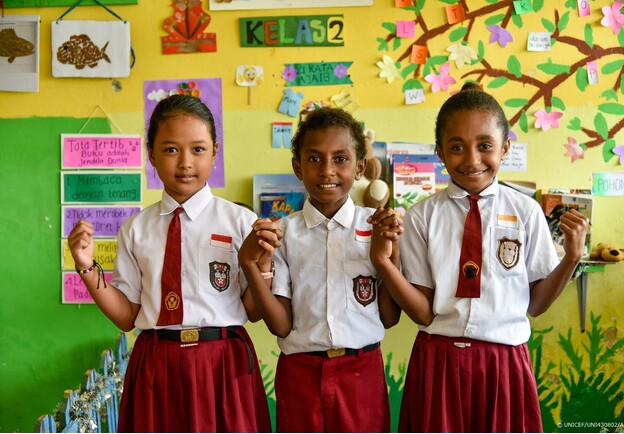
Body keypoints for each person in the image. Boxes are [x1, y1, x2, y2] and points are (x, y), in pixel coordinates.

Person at [369, 82, 590, 433]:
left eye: (485, 146)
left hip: (504, 362)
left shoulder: (526, 212)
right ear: (440, 152)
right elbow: (423, 311)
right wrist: (383, 262)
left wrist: (572, 258)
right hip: (438, 361)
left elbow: (536, 304)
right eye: (457, 147)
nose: (472, 160)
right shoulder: (422, 216)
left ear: (505, 148)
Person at [67, 94, 272, 433]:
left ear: (215, 152)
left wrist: (264, 264)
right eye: (171, 149)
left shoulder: (241, 222)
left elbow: (253, 310)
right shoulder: (135, 229)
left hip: (222, 363)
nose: (186, 163)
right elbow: (126, 316)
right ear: (151, 154)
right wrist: (86, 265)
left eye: (198, 149)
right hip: (156, 363)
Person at [238, 107, 402, 432]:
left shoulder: (377, 227)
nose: (327, 170)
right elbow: (281, 325)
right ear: (297, 167)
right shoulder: (283, 233)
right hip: (300, 374)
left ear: (360, 168)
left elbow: (389, 317)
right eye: (314, 159)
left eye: (340, 159)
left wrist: (389, 255)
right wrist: (251, 265)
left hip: (362, 371)